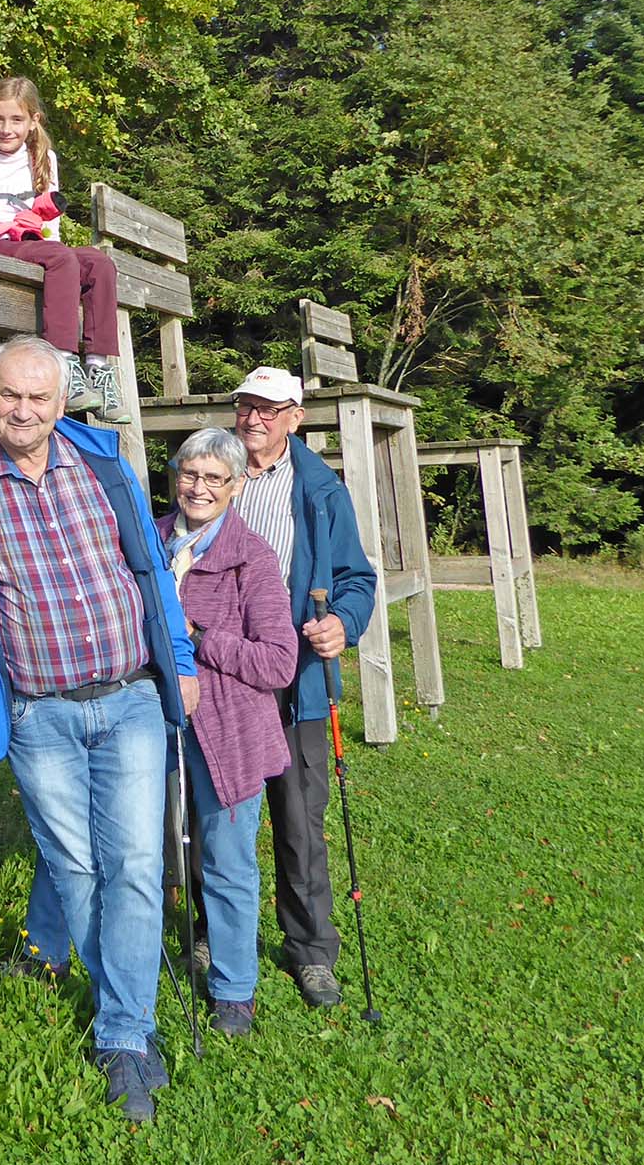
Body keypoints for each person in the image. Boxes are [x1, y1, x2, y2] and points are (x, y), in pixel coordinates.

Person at [0, 334, 199, 1122]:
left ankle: (125, 1034)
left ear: (62, 401)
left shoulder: (100, 463)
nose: (24, 411)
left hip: (129, 696)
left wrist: (180, 660)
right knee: (77, 869)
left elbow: (150, 571)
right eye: (10, 396)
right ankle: (122, 997)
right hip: (39, 713)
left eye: (40, 397)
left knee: (130, 863)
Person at [225, 367, 377, 1010]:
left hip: (296, 684)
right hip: (225, 676)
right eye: (245, 406)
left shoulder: (320, 491)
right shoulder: (213, 471)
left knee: (299, 819)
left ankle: (311, 950)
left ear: (295, 417)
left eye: (268, 408)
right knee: (217, 815)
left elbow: (356, 577)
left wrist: (343, 622)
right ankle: (211, 932)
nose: (253, 418)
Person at [154, 427, 298, 1036]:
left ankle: (235, 988)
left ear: (236, 487)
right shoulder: (150, 538)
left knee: (227, 861)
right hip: (152, 722)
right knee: (137, 852)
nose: (200, 487)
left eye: (215, 478)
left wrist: (202, 639)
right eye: (191, 474)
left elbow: (279, 662)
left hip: (230, 734)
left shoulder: (252, 557)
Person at [0, 77, 126, 423]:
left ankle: (98, 367)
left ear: (33, 121)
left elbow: (51, 229)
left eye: (16, 120)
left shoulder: (42, 158)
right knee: (61, 256)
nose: (6, 129)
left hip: (31, 244)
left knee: (98, 263)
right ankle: (63, 362)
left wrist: (58, 259)